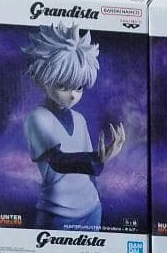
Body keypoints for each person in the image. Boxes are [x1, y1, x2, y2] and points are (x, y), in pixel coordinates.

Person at [22, 23, 125, 230]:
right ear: (42, 80)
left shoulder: (79, 119)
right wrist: (97, 158)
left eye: (79, 88)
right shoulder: (37, 118)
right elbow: (58, 161)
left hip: (92, 208)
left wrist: (99, 159)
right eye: (63, 86)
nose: (73, 95)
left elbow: (89, 172)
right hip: (56, 214)